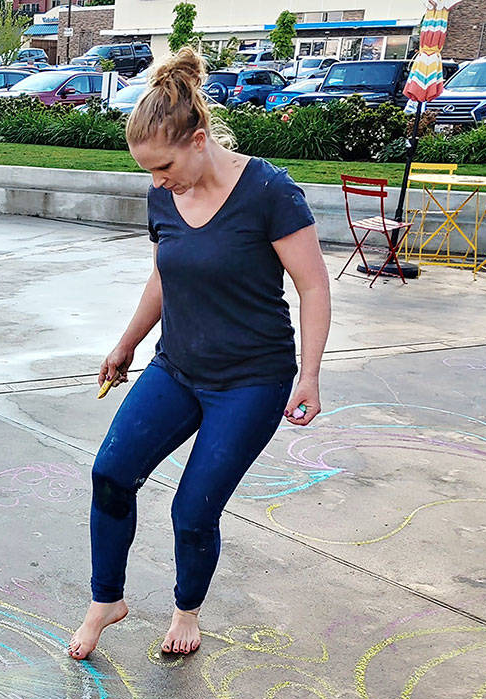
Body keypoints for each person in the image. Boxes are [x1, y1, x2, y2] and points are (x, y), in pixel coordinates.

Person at [67, 47, 331, 661]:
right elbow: (165, 274)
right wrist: (127, 342)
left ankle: (187, 610)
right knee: (111, 473)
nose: (156, 181)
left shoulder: (268, 191)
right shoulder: (164, 195)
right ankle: (106, 598)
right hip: (177, 367)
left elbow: (313, 284)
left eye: (163, 166)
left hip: (251, 382)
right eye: (149, 171)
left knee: (192, 510)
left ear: (199, 140)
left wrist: (310, 375)